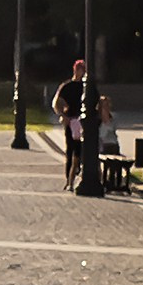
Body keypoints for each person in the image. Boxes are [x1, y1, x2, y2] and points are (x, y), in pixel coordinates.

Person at [50, 55, 91, 190]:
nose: (82, 72)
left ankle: (82, 173)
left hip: (83, 121)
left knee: (83, 150)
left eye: (83, 69)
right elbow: (56, 102)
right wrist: (62, 115)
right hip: (71, 120)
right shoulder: (67, 86)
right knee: (71, 150)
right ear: (75, 70)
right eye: (80, 69)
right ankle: (69, 178)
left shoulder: (87, 86)